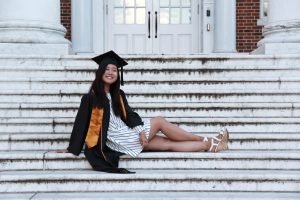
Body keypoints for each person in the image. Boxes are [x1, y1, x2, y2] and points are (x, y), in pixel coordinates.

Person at [60, 50, 229, 174]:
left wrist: (139, 130)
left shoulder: (117, 95)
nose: (111, 73)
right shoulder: (91, 98)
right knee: (159, 121)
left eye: (114, 70)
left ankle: (210, 145)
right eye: (107, 69)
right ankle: (205, 138)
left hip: (126, 136)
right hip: (119, 139)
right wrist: (72, 148)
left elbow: (130, 116)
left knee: (168, 144)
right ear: (100, 72)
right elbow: (81, 124)